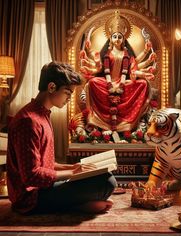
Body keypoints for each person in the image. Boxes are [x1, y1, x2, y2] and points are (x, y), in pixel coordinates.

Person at [6, 62, 117, 214]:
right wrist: (73, 173)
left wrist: (74, 167)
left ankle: (80, 204)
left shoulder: (43, 115)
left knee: (105, 175)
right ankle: (79, 207)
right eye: (67, 93)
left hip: (45, 188)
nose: (69, 98)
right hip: (30, 197)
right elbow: (31, 176)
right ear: (51, 87)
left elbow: (45, 164)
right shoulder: (28, 121)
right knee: (107, 182)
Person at [78, 10, 157, 139]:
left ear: (124, 39)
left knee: (143, 84)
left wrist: (147, 51)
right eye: (115, 36)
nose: (117, 39)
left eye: (120, 37)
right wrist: (110, 84)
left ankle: (127, 124)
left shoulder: (126, 55)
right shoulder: (108, 54)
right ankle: (101, 124)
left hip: (123, 82)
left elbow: (131, 67)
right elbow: (105, 70)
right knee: (92, 83)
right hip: (108, 82)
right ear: (110, 38)